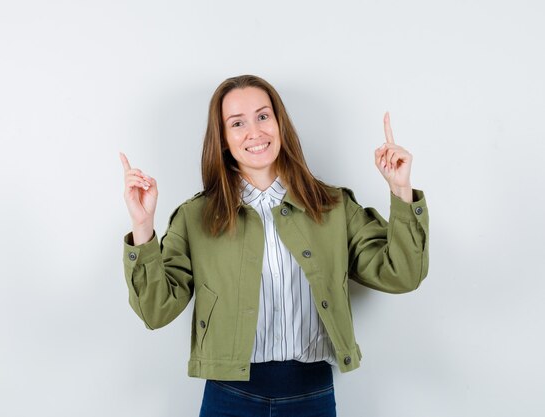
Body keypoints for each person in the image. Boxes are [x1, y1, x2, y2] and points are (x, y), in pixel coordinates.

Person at [120, 75, 429, 417]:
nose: (255, 132)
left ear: (280, 123)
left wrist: (401, 191)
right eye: (237, 123)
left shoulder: (333, 206)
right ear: (223, 139)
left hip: (312, 396)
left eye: (263, 116)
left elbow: (403, 275)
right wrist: (143, 227)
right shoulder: (195, 218)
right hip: (229, 398)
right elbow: (155, 311)